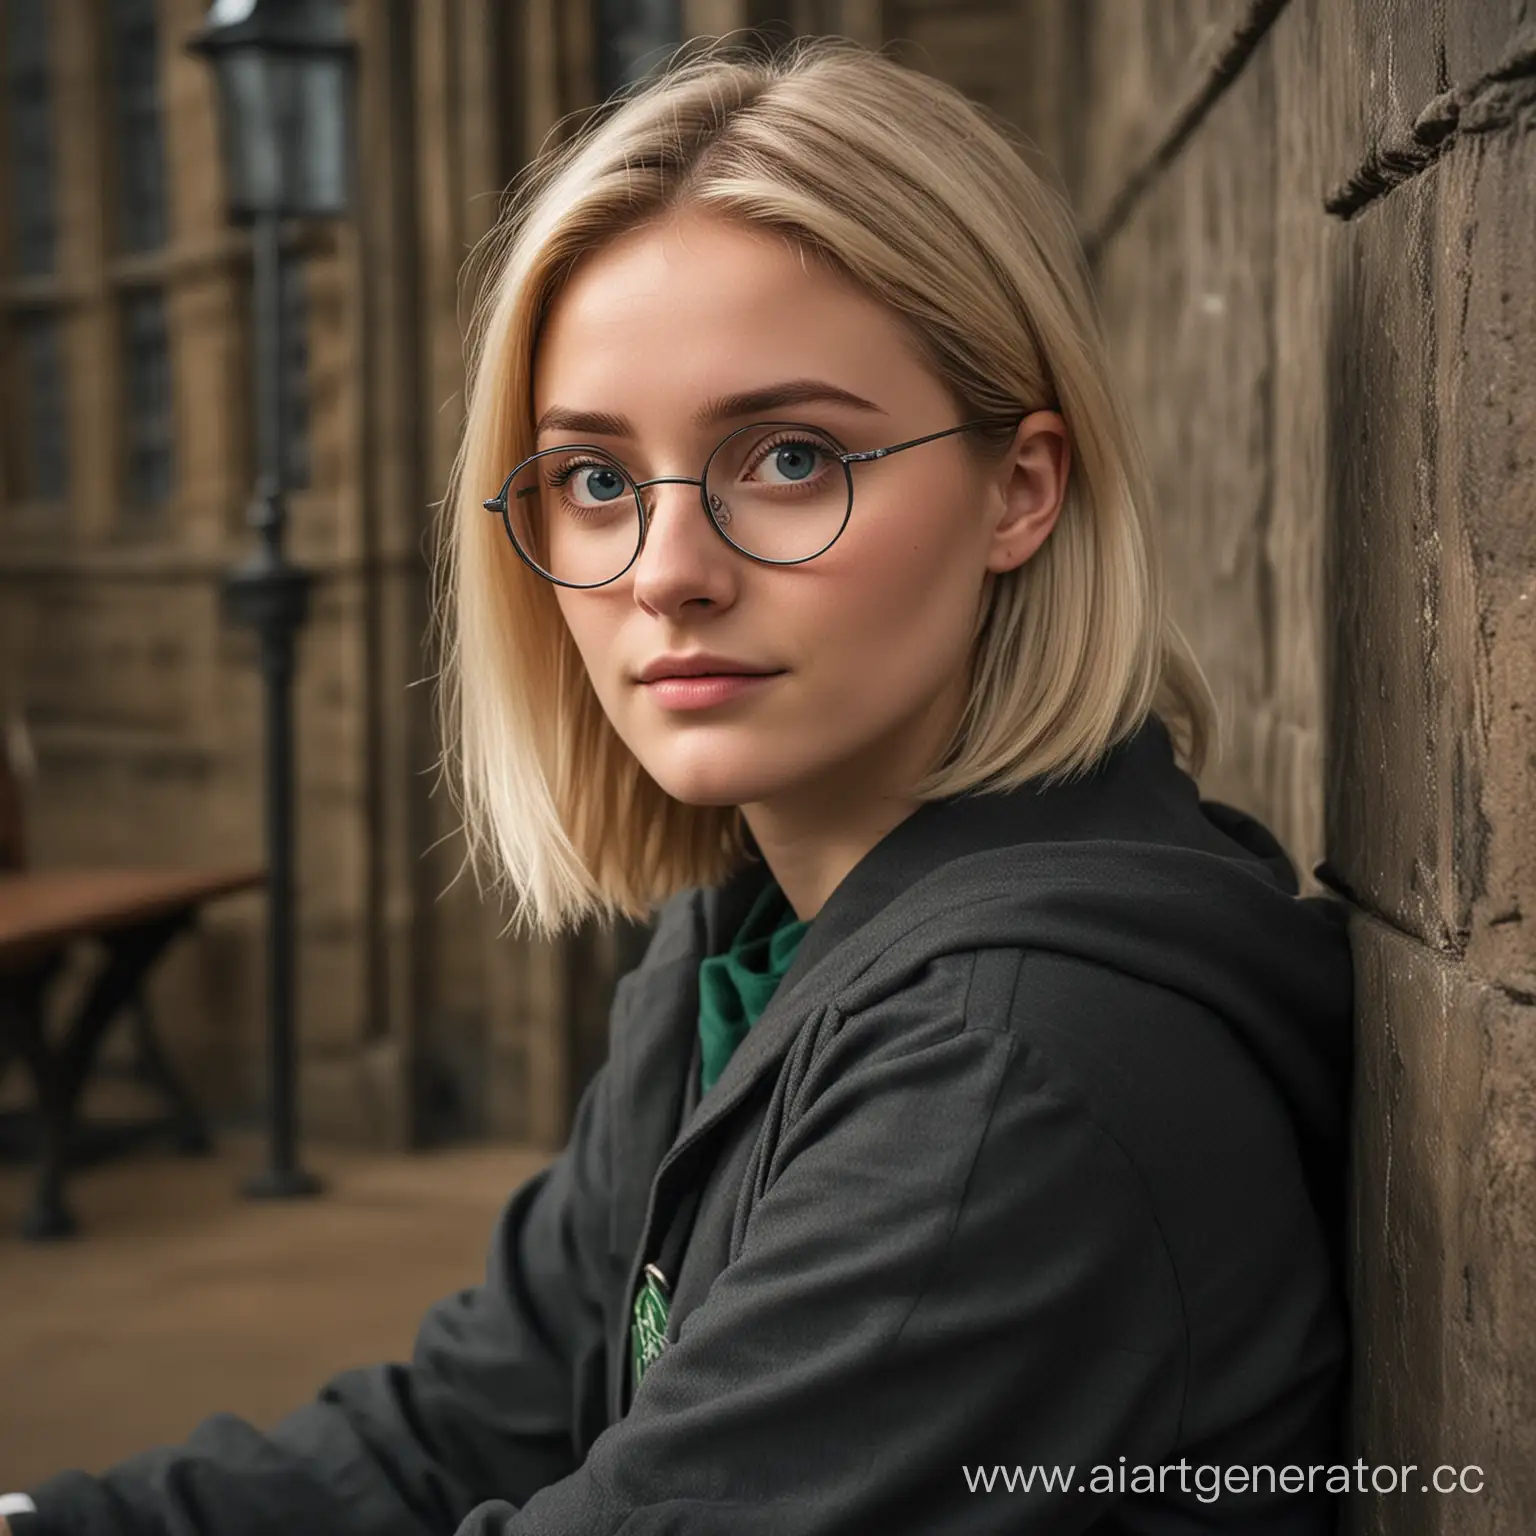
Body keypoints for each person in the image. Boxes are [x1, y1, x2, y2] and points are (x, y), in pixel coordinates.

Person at [4, 32, 1354, 1536]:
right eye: (593, 480)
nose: (665, 575)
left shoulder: (1008, 1078)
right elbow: (457, 1429)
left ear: (1019, 490)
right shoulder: (736, 952)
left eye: (787, 456)